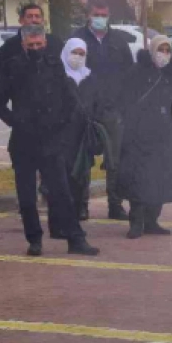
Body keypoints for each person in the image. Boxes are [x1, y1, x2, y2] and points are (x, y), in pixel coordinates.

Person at [0, 25, 100, 257]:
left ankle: (75, 238)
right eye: (30, 45)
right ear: (23, 44)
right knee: (27, 196)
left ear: (45, 43)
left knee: (62, 192)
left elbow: (70, 100)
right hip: (23, 140)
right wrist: (15, 121)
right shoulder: (14, 67)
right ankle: (34, 240)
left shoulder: (54, 66)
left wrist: (60, 126)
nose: (35, 49)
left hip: (50, 140)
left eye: (38, 45)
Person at [71, 0, 136, 220]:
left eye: (104, 14)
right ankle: (81, 205)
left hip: (112, 109)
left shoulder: (118, 40)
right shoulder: (77, 39)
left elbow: (129, 74)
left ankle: (115, 204)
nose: (100, 18)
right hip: (84, 109)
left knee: (114, 159)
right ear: (88, 15)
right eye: (96, 14)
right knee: (84, 159)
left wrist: (123, 104)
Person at [117, 35, 172, 239]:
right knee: (140, 179)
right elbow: (125, 98)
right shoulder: (137, 72)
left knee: (160, 179)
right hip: (140, 134)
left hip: (165, 135)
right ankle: (136, 221)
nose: (163, 54)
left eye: (167, 50)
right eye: (160, 49)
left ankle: (152, 220)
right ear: (152, 50)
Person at [59, 38, 101, 222]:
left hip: (84, 133)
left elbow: (98, 102)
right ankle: (64, 207)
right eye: (74, 53)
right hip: (62, 131)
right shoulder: (58, 76)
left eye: (81, 54)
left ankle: (82, 205)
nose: (77, 57)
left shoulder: (90, 77)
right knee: (63, 170)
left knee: (83, 170)